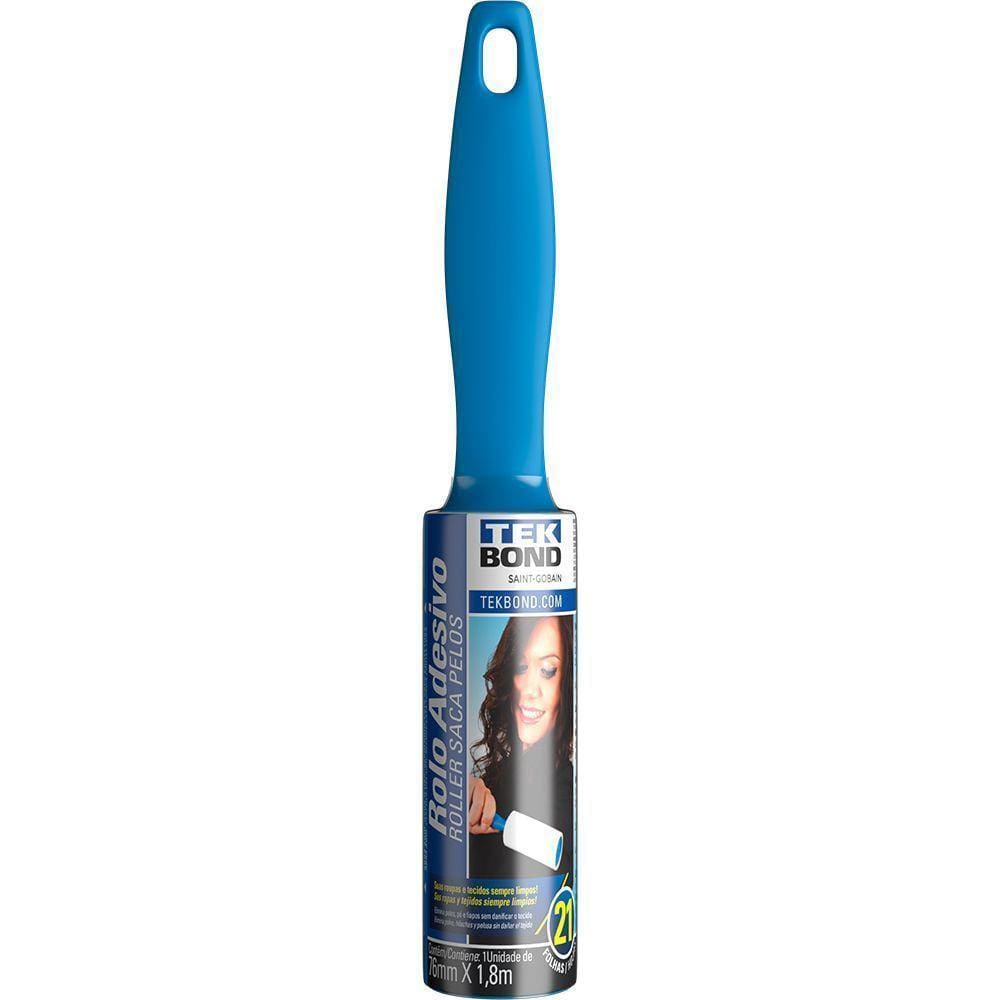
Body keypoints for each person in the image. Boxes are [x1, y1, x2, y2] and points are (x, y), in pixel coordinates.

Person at [468, 615, 574, 878]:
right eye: (521, 666)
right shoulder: (490, 782)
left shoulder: (572, 801)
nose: (529, 690)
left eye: (548, 670)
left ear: (569, 683)